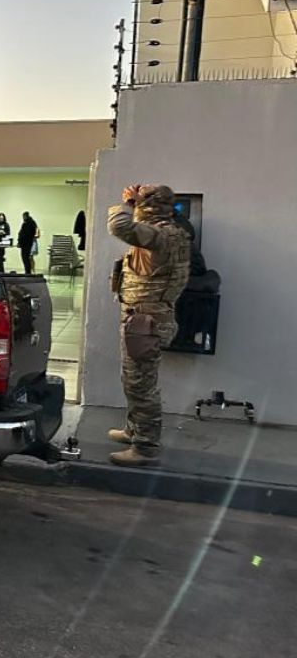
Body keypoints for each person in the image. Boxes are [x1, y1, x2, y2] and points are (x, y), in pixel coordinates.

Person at [107, 184, 190, 467]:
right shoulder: (174, 232)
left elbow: (120, 227)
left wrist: (128, 203)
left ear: (147, 206)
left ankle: (145, 447)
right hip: (145, 319)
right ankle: (134, 431)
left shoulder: (156, 234)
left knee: (141, 384)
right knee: (134, 379)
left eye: (140, 203)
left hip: (146, 321)